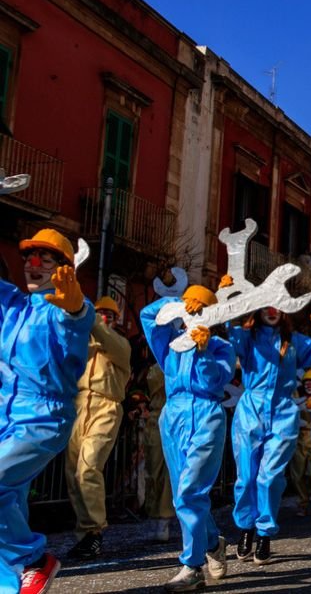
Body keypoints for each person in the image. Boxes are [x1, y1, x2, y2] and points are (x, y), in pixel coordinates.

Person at [0, 229, 93, 594]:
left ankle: (35, 561)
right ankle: (12, 584)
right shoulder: (13, 305)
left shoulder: (60, 311)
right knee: (10, 501)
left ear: (64, 269)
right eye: (29, 257)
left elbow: (77, 321)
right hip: (6, 416)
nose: (33, 264)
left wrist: (76, 307)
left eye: (46, 258)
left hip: (43, 420)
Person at [141, 286, 235, 592]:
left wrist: (204, 351)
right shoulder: (170, 343)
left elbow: (215, 381)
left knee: (190, 492)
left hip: (207, 415)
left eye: (198, 309)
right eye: (189, 310)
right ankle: (211, 542)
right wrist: (176, 303)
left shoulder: (221, 346)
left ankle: (192, 566)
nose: (192, 315)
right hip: (173, 418)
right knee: (185, 493)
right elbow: (147, 315)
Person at [226, 303, 311, 564]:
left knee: (269, 477)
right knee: (246, 476)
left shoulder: (293, 341)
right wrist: (232, 301)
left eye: (277, 307)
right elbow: (231, 332)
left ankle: (265, 533)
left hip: (283, 412)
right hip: (250, 410)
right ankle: (246, 529)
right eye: (266, 307)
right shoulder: (248, 337)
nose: (272, 312)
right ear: (258, 310)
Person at [64, 296, 132, 561]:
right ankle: (85, 535)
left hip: (106, 406)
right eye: (101, 313)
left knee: (88, 466)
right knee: (73, 474)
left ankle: (95, 531)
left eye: (110, 315)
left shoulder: (120, 345)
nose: (105, 318)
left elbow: (105, 337)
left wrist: (87, 315)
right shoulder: (83, 347)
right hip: (78, 406)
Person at [143, 363, 175, 541]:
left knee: (167, 471)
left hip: (173, 414)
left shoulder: (175, 360)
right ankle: (153, 513)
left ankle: (163, 518)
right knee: (152, 469)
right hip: (155, 417)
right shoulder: (152, 363)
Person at [289, 368, 311, 518]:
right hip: (299, 437)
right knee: (297, 474)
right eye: (306, 383)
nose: (309, 385)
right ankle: (303, 501)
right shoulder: (297, 396)